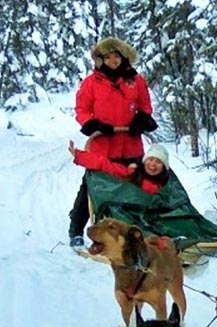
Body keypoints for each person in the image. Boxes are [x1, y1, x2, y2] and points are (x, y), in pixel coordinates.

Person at [68, 37, 157, 248]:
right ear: (101, 60)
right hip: (103, 145)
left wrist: (140, 120)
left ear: (123, 57)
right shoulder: (91, 82)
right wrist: (92, 124)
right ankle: (76, 229)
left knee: (135, 186)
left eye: (116, 56)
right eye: (108, 57)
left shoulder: (136, 81)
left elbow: (145, 105)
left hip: (130, 144)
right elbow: (82, 109)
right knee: (91, 185)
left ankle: (136, 228)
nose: (112, 61)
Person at [69, 141, 171, 194]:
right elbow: (105, 165)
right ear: (144, 161)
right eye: (150, 159)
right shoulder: (132, 173)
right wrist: (79, 155)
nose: (153, 164)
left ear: (164, 167)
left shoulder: (166, 184)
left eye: (158, 162)